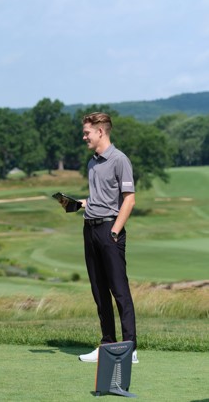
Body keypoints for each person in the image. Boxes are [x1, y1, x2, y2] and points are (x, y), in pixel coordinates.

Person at [76, 112, 139, 364]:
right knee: (99, 290)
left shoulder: (119, 160)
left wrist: (115, 231)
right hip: (90, 229)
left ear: (100, 131)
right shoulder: (92, 162)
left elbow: (129, 200)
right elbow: (99, 198)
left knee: (119, 290)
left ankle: (130, 348)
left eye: (87, 133)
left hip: (109, 230)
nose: (84, 137)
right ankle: (107, 344)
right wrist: (79, 204)